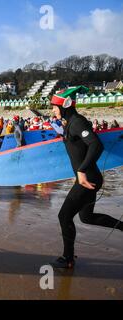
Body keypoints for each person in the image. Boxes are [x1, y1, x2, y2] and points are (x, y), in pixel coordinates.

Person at [49, 86, 123, 269]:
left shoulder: (77, 122)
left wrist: (81, 170)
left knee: (64, 216)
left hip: (87, 179)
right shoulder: (70, 123)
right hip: (88, 177)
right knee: (86, 218)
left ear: (65, 105)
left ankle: (68, 258)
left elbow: (95, 145)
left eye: (54, 106)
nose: (52, 110)